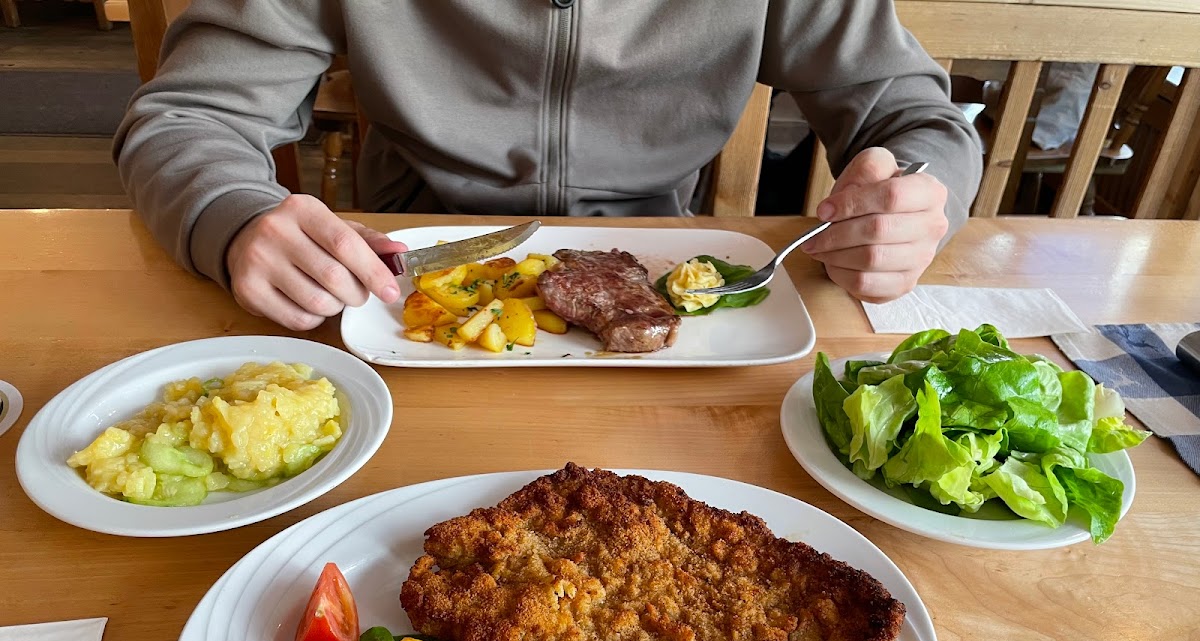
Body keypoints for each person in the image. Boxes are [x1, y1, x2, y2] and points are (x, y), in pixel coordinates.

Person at [115, 1, 983, 332]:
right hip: (393, 296)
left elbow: (915, 117)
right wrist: (230, 214)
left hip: (668, 296)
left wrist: (917, 191)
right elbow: (188, 117)